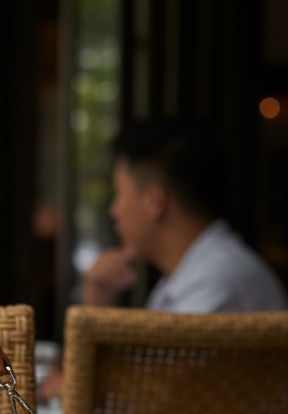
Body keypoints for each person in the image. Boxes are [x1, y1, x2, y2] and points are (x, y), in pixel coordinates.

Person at [83, 117, 287, 312]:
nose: (114, 211)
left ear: (154, 201)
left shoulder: (216, 280)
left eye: (119, 194)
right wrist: (98, 304)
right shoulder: (193, 273)